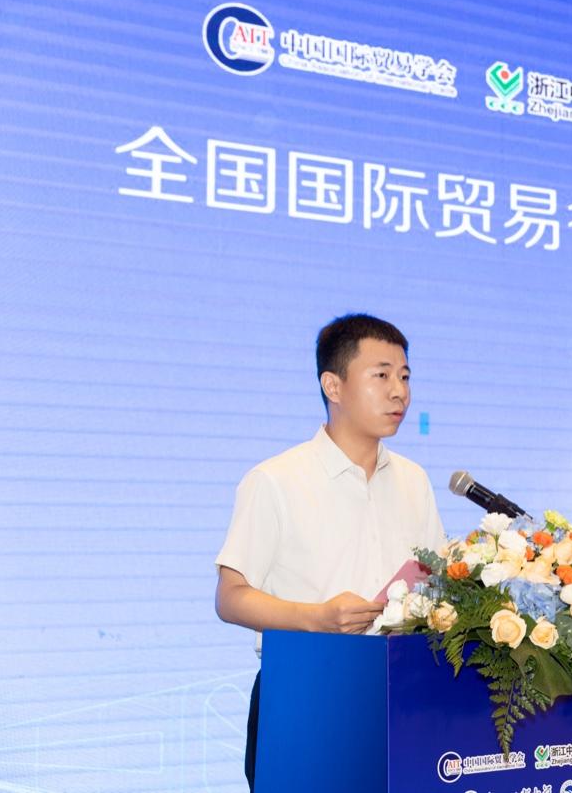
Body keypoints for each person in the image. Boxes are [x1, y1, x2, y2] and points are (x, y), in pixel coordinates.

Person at [214, 314, 446, 791]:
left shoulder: (414, 480)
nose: (399, 392)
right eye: (381, 375)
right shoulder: (276, 480)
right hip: (304, 693)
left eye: (405, 377)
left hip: (402, 692)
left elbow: (434, 578)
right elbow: (230, 597)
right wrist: (316, 618)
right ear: (333, 385)